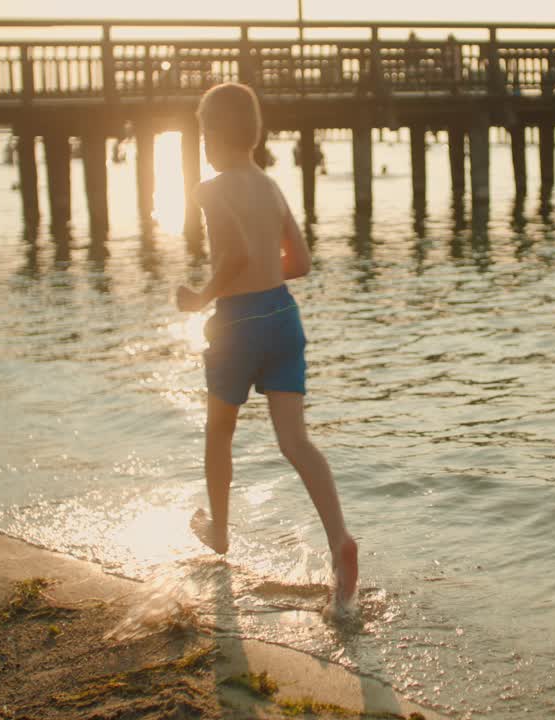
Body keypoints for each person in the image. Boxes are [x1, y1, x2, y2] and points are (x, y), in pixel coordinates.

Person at [176, 82, 359, 610]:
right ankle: (339, 539)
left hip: (237, 323)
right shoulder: (271, 186)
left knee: (219, 431)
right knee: (296, 442)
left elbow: (230, 254)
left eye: (202, 129)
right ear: (252, 133)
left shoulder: (210, 189)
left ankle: (221, 533)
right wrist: (261, 271)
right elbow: (299, 263)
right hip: (283, 317)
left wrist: (201, 297)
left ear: (210, 132)